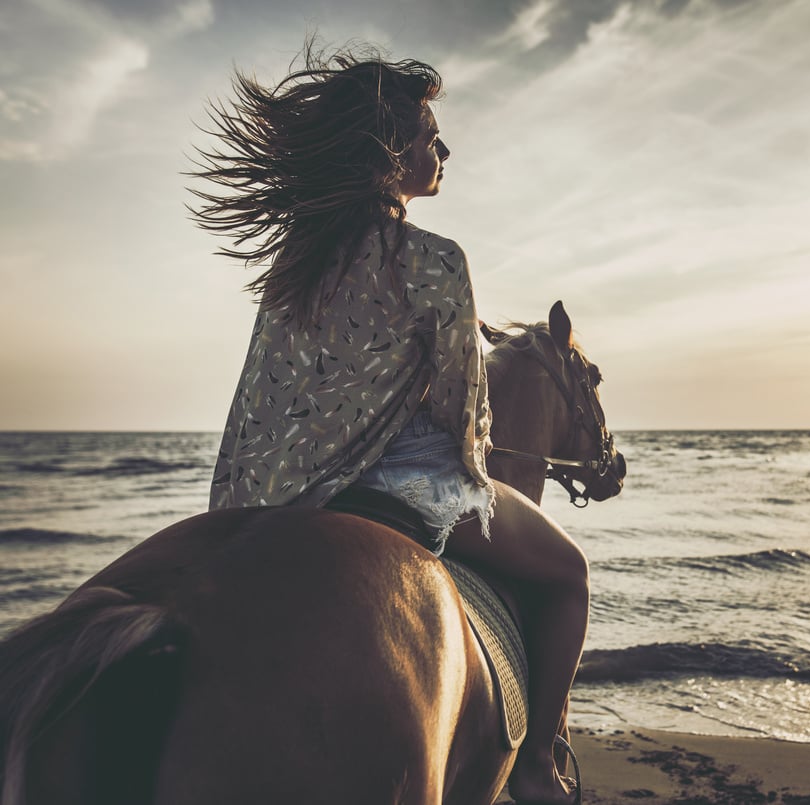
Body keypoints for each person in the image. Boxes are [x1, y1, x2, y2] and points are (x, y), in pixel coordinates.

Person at [190, 43, 586, 805]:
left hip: (281, 498)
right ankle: (537, 765)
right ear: (393, 150)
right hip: (405, 489)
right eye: (430, 133)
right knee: (569, 574)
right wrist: (473, 456)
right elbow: (465, 419)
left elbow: (266, 394)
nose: (443, 148)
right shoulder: (436, 261)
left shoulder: (297, 265)